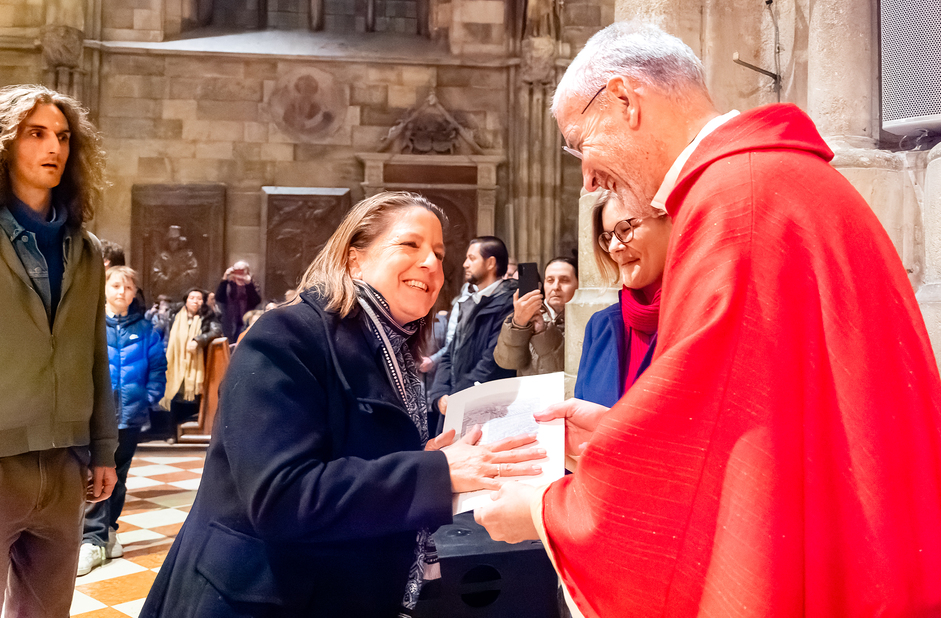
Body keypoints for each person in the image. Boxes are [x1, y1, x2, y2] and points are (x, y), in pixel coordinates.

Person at [474, 22, 941, 617]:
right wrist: (618, 435)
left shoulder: (734, 202)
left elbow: (715, 438)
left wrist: (547, 512)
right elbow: (754, 418)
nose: (587, 180)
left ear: (624, 100)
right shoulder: (769, 180)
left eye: (579, 143)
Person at [139, 192, 545, 618]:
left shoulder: (392, 352)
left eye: (439, 254)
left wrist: (424, 457)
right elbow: (281, 496)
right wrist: (437, 471)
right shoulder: (286, 336)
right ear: (354, 260)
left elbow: (352, 454)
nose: (431, 263)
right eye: (410, 244)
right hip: (260, 597)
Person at [0, 84, 117, 615]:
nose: (54, 147)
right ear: (6, 144)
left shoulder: (86, 250)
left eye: (64, 137)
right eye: (36, 133)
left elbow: (95, 355)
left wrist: (103, 449)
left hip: (65, 465)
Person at [79, 266, 166, 576]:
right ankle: (91, 539)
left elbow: (158, 367)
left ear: (134, 293)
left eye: (128, 287)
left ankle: (109, 529)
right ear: (104, 288)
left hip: (130, 416)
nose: (121, 292)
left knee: (119, 476)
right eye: (116, 285)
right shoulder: (90, 324)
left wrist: (148, 397)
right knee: (94, 475)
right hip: (96, 417)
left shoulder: (145, 329)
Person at [574, 191, 671, 406]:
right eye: (608, 238)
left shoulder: (705, 316)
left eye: (626, 229)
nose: (613, 248)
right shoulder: (599, 326)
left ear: (669, 220)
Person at [428, 236, 518, 421]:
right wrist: (440, 394)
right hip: (456, 402)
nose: (465, 264)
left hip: (485, 408)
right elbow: (451, 352)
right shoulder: (469, 302)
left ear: (490, 263)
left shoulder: (509, 303)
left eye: (472, 258)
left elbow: (492, 362)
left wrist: (457, 397)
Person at [494, 257, 579, 376]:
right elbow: (507, 362)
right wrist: (518, 326)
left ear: (578, 285)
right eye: (550, 280)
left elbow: (568, 367)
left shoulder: (583, 319)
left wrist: (543, 331)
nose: (555, 287)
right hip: (528, 387)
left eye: (564, 280)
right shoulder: (530, 315)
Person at [161, 287, 222, 440]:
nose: (195, 301)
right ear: (186, 300)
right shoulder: (174, 315)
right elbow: (164, 335)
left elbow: (216, 331)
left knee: (194, 398)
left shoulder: (208, 316)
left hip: (197, 365)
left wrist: (198, 340)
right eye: (192, 298)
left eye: (199, 298)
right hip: (175, 363)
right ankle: (171, 433)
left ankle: (191, 433)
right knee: (173, 394)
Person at [215, 259, 262, 342]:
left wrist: (249, 285)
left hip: (245, 323)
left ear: (247, 272)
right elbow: (219, 298)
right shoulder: (228, 284)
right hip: (229, 322)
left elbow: (256, 301)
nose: (239, 274)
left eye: (242, 271)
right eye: (237, 271)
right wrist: (225, 279)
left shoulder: (252, 284)